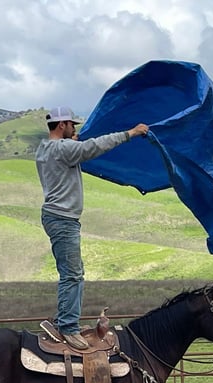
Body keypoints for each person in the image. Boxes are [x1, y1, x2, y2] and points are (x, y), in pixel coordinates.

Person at [36, 106, 149, 350]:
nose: (75, 129)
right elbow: (95, 146)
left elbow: (72, 150)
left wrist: (72, 143)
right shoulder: (64, 149)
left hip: (56, 216)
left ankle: (65, 317)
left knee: (71, 272)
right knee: (73, 274)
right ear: (61, 125)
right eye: (72, 125)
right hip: (63, 218)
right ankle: (67, 327)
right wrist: (131, 133)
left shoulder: (45, 149)